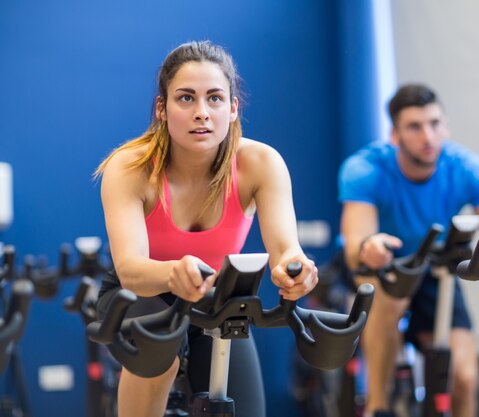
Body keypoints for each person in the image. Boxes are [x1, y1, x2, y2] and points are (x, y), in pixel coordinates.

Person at [94, 40, 318, 417]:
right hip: (137, 295)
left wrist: (297, 272)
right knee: (158, 357)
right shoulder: (130, 167)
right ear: (162, 109)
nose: (202, 112)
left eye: (214, 98)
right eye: (186, 99)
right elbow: (131, 270)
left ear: (232, 109)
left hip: (215, 301)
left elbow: (286, 251)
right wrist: (173, 272)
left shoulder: (261, 163)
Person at [338, 84, 479, 417]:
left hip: (435, 272)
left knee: (463, 377)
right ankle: (378, 406)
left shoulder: (467, 168)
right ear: (395, 135)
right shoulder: (366, 169)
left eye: (435, 124)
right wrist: (369, 248)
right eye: (414, 127)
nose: (428, 136)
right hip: (385, 269)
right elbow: (356, 246)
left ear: (445, 125)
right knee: (389, 295)